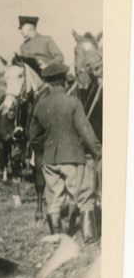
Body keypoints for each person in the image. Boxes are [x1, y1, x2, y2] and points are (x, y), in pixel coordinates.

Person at [29, 63, 102, 241]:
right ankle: (90, 236)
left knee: (54, 199)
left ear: (47, 82)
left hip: (49, 159)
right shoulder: (73, 102)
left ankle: (57, 238)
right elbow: (85, 130)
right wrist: (97, 152)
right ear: (64, 81)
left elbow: (33, 136)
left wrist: (46, 149)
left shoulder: (40, 105)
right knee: (84, 195)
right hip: (72, 157)